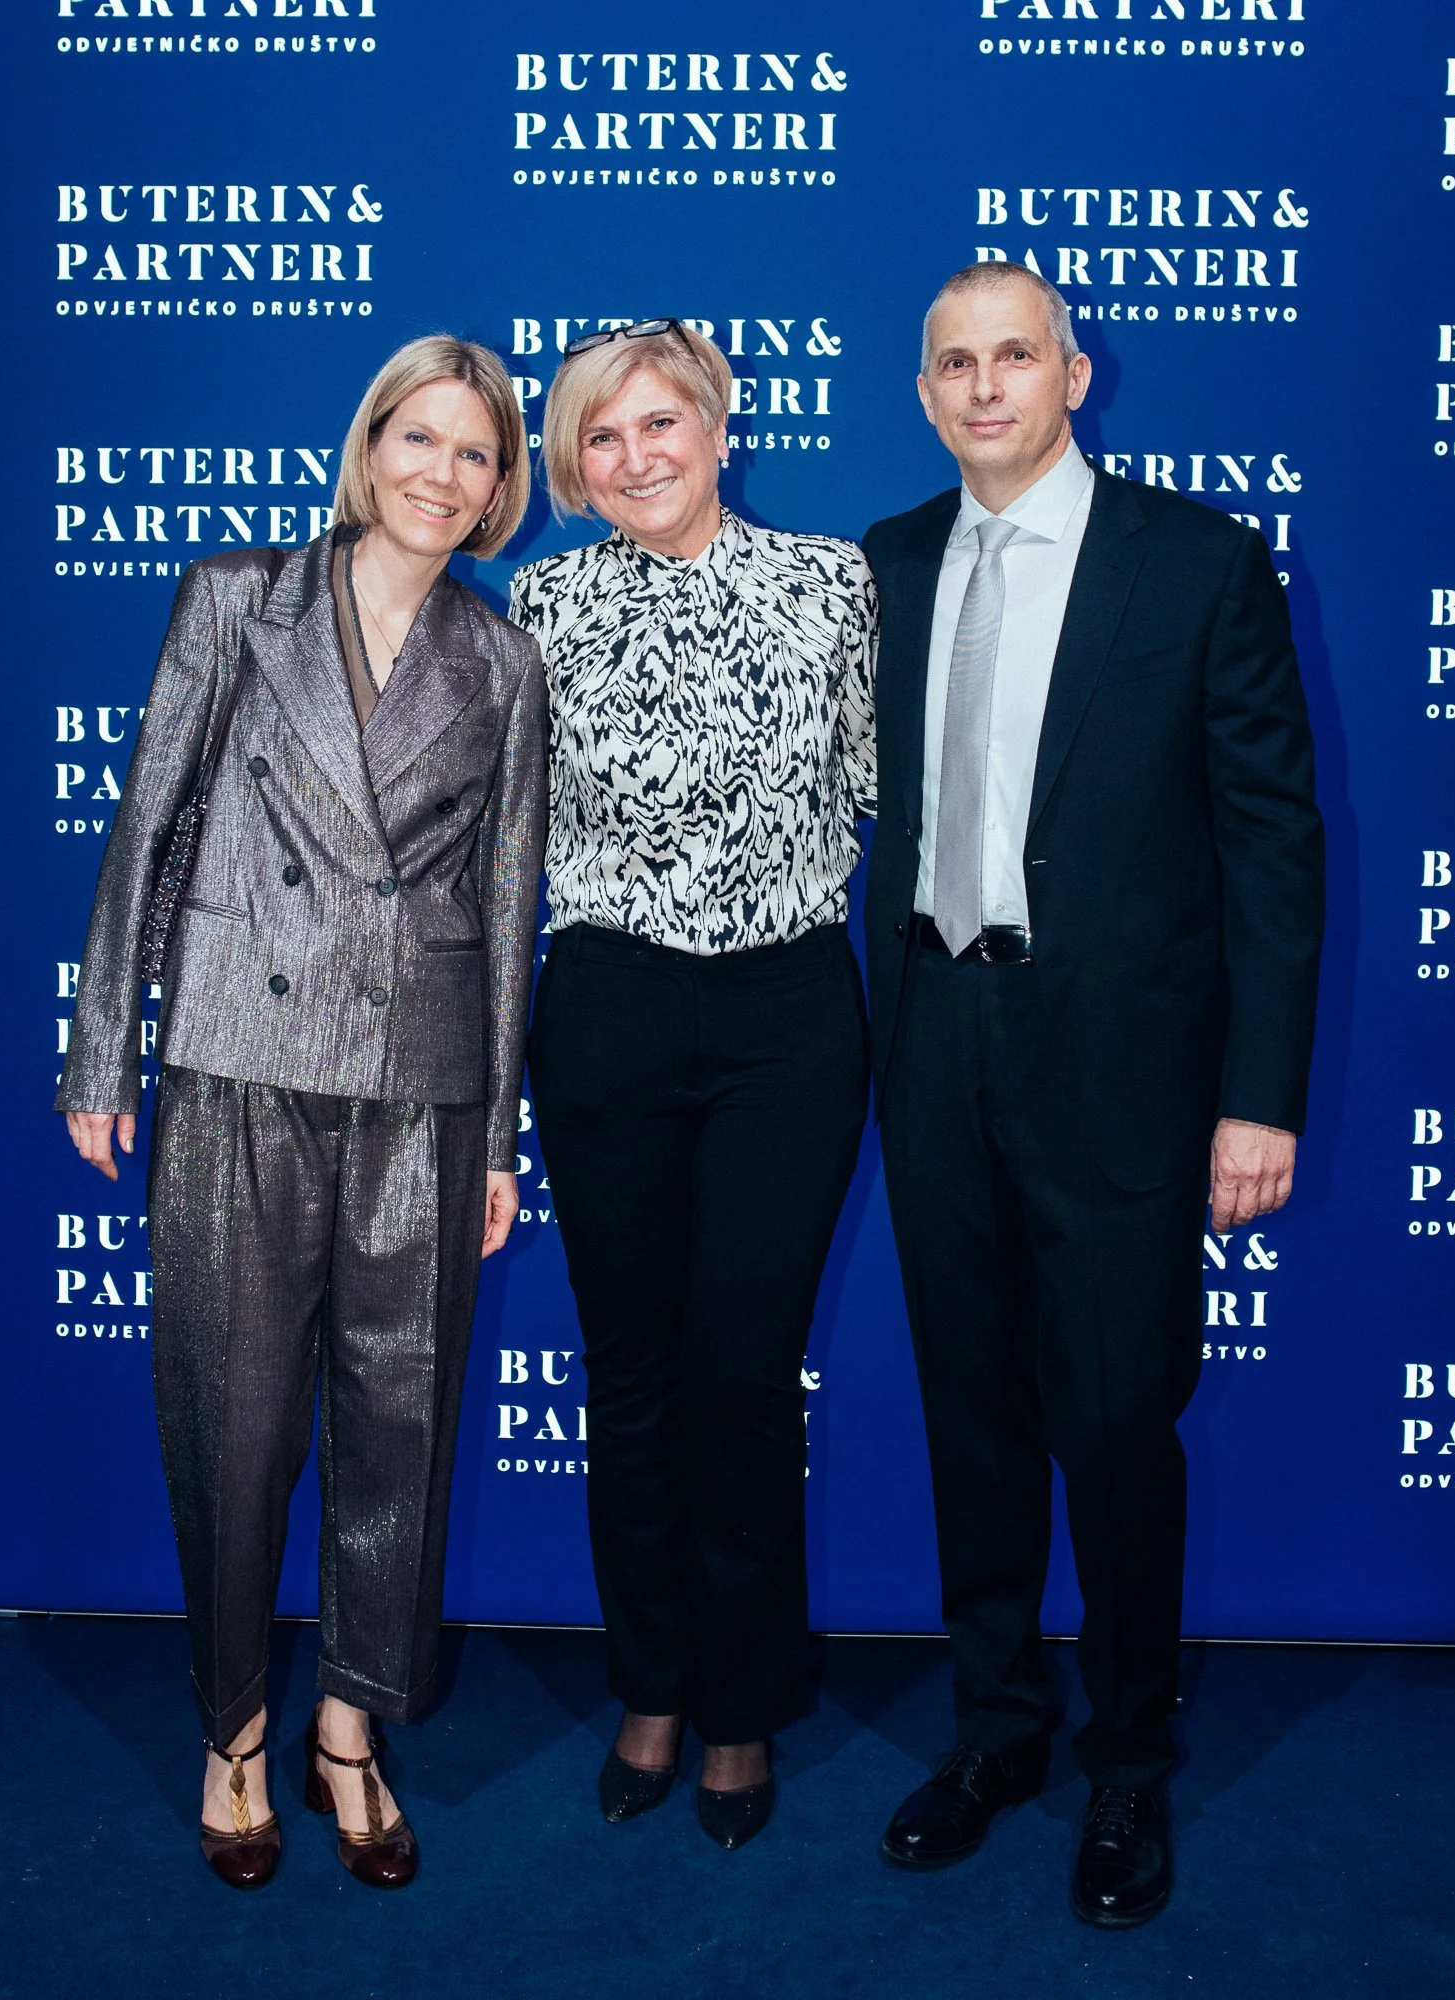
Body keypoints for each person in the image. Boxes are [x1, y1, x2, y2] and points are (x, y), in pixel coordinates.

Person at [863, 264, 1323, 1925]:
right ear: (925, 393)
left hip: (1125, 1073)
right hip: (934, 1054)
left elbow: (1275, 844)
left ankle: (1127, 1768)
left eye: (1016, 357)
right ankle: (997, 1732)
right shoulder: (890, 565)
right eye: (955, 363)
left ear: (1076, 372)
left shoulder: (1197, 564)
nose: (987, 387)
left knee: (1120, 1433)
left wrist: (1257, 1097)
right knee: (972, 1422)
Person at [57, 336, 546, 1891]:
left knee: (399, 1429)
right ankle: (231, 1733)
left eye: (474, 454)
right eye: (418, 439)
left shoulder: (503, 662)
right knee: (234, 1419)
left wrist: (492, 1134)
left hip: (420, 1084)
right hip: (236, 1061)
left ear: (501, 486)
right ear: (368, 445)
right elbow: (147, 821)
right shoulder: (232, 599)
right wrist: (100, 1051)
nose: (441, 476)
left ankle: (350, 1727)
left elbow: (512, 895)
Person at [509, 320, 876, 1850]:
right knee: (634, 1371)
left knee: (743, 1375)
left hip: (789, 1016)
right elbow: (508, 843)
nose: (636, 455)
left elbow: (882, 793)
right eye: (603, 437)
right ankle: (651, 1684)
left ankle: (744, 1705)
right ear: (574, 471)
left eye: (663, 422)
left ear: (721, 429)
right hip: (606, 1011)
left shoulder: (832, 583)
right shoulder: (541, 603)